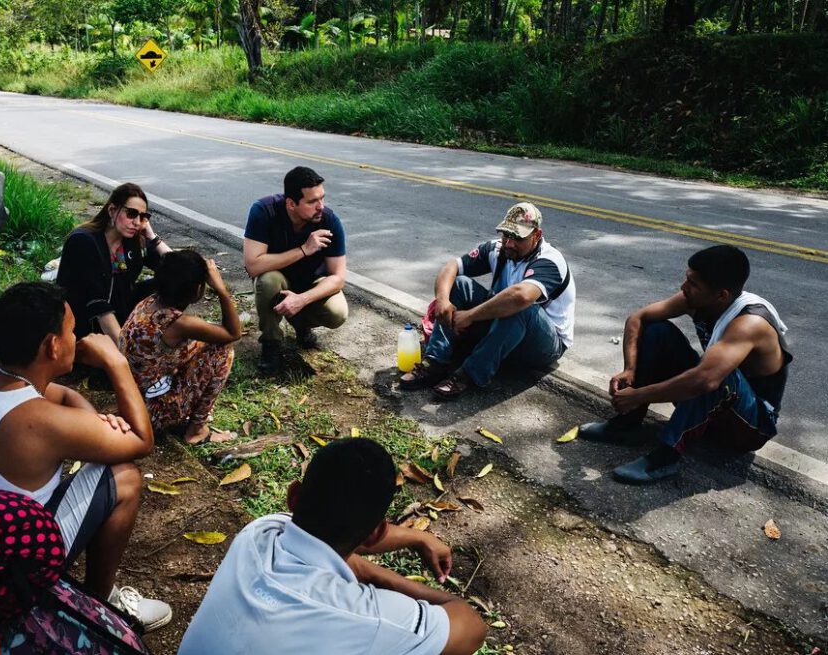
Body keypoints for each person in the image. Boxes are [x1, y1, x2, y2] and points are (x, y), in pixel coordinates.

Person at [0, 282, 172, 632]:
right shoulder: (37, 421)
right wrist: (117, 363)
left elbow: (62, 396)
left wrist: (90, 425)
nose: (78, 337)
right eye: (71, 331)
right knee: (124, 476)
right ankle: (98, 607)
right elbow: (143, 441)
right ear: (52, 346)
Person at [178, 438, 488, 655]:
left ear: (293, 496)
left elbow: (327, 537)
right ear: (375, 532)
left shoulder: (259, 533)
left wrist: (420, 537)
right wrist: (383, 578)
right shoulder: (372, 617)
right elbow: (471, 627)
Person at [579, 245, 791, 484]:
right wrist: (630, 370)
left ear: (721, 295)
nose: (683, 287)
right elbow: (638, 318)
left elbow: (705, 380)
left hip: (748, 427)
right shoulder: (698, 299)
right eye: (687, 278)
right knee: (655, 330)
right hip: (714, 402)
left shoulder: (750, 323)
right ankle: (627, 425)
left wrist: (637, 395)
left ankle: (664, 458)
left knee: (714, 375)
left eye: (693, 283)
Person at [401, 202, 575, 400]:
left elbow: (521, 296)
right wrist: (442, 302)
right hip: (506, 329)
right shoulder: (498, 249)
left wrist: (470, 315)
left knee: (520, 308)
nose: (509, 243)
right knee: (459, 284)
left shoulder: (550, 261)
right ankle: (435, 363)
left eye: (518, 238)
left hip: (543, 345)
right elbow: (452, 266)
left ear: (537, 235)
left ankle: (469, 374)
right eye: (507, 235)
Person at [119, 250, 240, 445]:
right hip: (149, 413)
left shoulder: (149, 303)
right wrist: (221, 290)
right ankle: (195, 430)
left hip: (129, 400)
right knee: (223, 350)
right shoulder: (178, 323)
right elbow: (233, 333)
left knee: (202, 345)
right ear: (198, 290)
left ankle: (186, 414)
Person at [243, 166, 348, 373]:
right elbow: (252, 265)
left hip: (310, 284)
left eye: (322, 198)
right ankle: (271, 343)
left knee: (338, 313)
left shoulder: (329, 221)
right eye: (312, 202)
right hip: (278, 283)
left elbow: (338, 277)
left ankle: (301, 325)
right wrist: (304, 250)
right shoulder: (264, 212)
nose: (320, 206)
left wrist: (302, 299)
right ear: (291, 204)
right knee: (267, 280)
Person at [56, 183, 170, 343]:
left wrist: (152, 237)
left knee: (173, 282)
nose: (137, 222)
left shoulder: (133, 241)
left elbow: (179, 269)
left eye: (143, 217)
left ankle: (159, 338)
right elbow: (98, 304)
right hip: (85, 324)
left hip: (121, 311)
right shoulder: (84, 241)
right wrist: (123, 351)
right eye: (131, 214)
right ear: (112, 210)